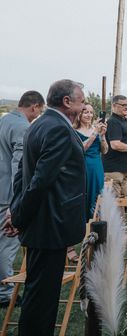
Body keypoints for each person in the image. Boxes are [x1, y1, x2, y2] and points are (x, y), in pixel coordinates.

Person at [5, 80, 86, 335]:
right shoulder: (58, 129)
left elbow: (21, 173)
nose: (84, 106)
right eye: (81, 100)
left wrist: (16, 208)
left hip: (44, 223)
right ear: (67, 102)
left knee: (38, 293)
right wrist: (19, 217)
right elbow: (40, 180)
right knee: (42, 299)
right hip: (51, 224)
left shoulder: (38, 124)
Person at [0, 90, 44, 308]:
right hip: (6, 194)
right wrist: (15, 204)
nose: (37, 116)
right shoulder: (22, 128)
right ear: (34, 106)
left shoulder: (4, 120)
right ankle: (5, 292)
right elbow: (20, 168)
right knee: (7, 245)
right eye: (38, 111)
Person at [73, 104, 108, 219]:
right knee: (85, 195)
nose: (89, 115)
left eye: (91, 112)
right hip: (83, 168)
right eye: (86, 112)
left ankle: (97, 223)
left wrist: (102, 136)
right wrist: (94, 134)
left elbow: (105, 150)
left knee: (98, 196)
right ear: (80, 114)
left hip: (97, 167)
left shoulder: (96, 130)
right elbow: (81, 149)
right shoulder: (74, 131)